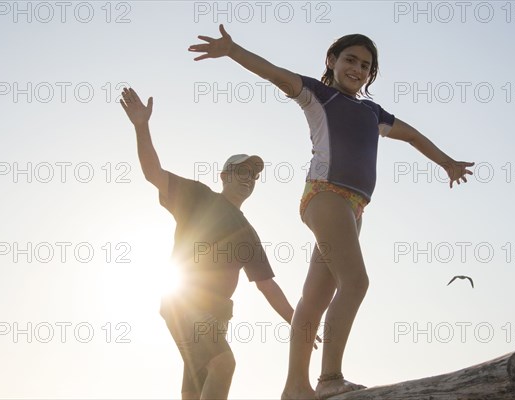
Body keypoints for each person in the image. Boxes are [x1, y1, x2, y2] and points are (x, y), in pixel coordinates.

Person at [188, 26, 474, 400]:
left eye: (366, 65)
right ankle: (329, 378)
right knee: (355, 282)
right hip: (326, 197)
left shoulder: (373, 112)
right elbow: (273, 72)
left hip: (354, 208)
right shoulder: (318, 95)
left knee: (314, 300)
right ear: (332, 61)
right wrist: (232, 49)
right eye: (350, 60)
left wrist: (447, 162)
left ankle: (294, 387)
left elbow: (414, 136)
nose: (357, 68)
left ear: (372, 74)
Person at [120, 87, 296, 400]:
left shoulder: (248, 233)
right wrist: (141, 126)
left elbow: (267, 285)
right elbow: (153, 173)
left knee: (196, 391)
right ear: (224, 175)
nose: (248, 179)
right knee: (224, 364)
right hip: (186, 304)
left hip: (217, 317)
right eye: (241, 172)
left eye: (253, 176)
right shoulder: (199, 197)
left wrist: (298, 321)